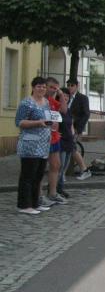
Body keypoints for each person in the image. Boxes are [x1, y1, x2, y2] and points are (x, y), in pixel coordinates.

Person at [14, 77, 53, 215]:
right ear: (33, 87)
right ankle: (24, 205)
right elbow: (19, 122)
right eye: (39, 86)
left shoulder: (46, 102)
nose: (42, 89)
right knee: (28, 176)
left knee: (38, 175)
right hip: (30, 144)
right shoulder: (27, 103)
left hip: (43, 144)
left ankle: (35, 203)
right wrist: (37, 123)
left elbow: (48, 118)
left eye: (44, 87)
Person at [42, 77, 68, 206]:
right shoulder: (40, 101)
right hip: (42, 138)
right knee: (40, 167)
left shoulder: (52, 101)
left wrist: (61, 94)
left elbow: (64, 110)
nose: (53, 90)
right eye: (51, 87)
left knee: (56, 165)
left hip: (54, 137)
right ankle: (39, 196)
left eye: (55, 88)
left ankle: (52, 193)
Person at [66, 78, 92, 180]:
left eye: (72, 85)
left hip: (75, 127)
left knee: (72, 148)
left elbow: (86, 114)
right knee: (67, 148)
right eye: (68, 85)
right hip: (64, 126)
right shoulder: (64, 96)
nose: (69, 87)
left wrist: (78, 129)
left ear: (77, 86)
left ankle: (85, 170)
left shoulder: (82, 98)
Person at [56, 86, 76, 198]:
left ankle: (60, 188)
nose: (66, 98)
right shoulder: (57, 109)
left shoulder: (68, 110)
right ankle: (55, 189)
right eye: (63, 95)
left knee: (64, 168)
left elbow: (71, 124)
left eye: (67, 96)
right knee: (59, 166)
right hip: (61, 141)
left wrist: (73, 135)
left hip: (69, 141)